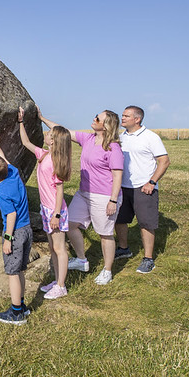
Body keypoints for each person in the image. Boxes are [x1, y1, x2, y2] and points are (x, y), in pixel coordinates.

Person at [38, 108, 124, 285]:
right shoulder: (88, 138)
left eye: (97, 118)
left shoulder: (113, 148)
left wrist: (113, 200)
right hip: (84, 192)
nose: (94, 119)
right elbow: (62, 131)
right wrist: (41, 118)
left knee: (105, 233)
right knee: (69, 224)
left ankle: (107, 270)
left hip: (105, 196)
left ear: (106, 126)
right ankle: (81, 260)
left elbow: (117, 175)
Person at [17, 106, 72, 300]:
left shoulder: (56, 162)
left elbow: (59, 191)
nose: (47, 135)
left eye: (50, 134)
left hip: (55, 211)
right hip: (47, 209)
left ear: (55, 141)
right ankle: (57, 281)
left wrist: (56, 214)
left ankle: (61, 286)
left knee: (59, 249)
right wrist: (21, 121)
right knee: (52, 249)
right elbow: (25, 142)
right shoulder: (44, 155)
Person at [0, 122, 32, 324]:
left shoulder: (0, 190)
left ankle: (16, 314)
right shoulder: (13, 172)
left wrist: (7, 239)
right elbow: (1, 157)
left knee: (12, 273)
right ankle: (22, 305)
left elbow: (10, 215)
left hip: (15, 232)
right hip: (27, 228)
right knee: (19, 270)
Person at [115, 106, 171, 274]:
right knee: (120, 220)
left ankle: (148, 259)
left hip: (144, 187)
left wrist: (152, 182)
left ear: (137, 119)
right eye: (123, 115)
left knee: (146, 223)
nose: (122, 118)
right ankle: (124, 248)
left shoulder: (150, 137)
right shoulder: (120, 137)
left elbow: (164, 161)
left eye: (126, 116)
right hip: (123, 187)